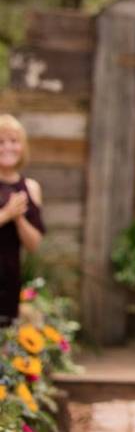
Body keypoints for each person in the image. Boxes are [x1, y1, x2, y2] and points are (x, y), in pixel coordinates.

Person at [0, 115, 44, 327]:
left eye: (14, 141)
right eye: (0, 142)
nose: (7, 147)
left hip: (9, 276)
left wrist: (18, 218)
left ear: (22, 146)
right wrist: (6, 214)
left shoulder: (31, 188)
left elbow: (34, 244)